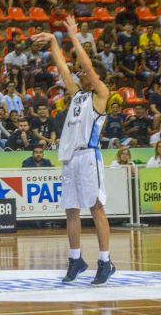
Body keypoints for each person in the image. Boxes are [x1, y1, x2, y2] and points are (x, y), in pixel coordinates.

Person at [32, 15, 115, 286]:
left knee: (96, 208)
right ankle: (76, 259)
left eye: (84, 72)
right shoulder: (77, 94)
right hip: (70, 158)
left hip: (89, 156)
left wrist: (74, 36)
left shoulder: (100, 93)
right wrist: (55, 42)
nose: (79, 73)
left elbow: (87, 66)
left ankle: (105, 261)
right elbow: (62, 68)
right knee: (71, 210)